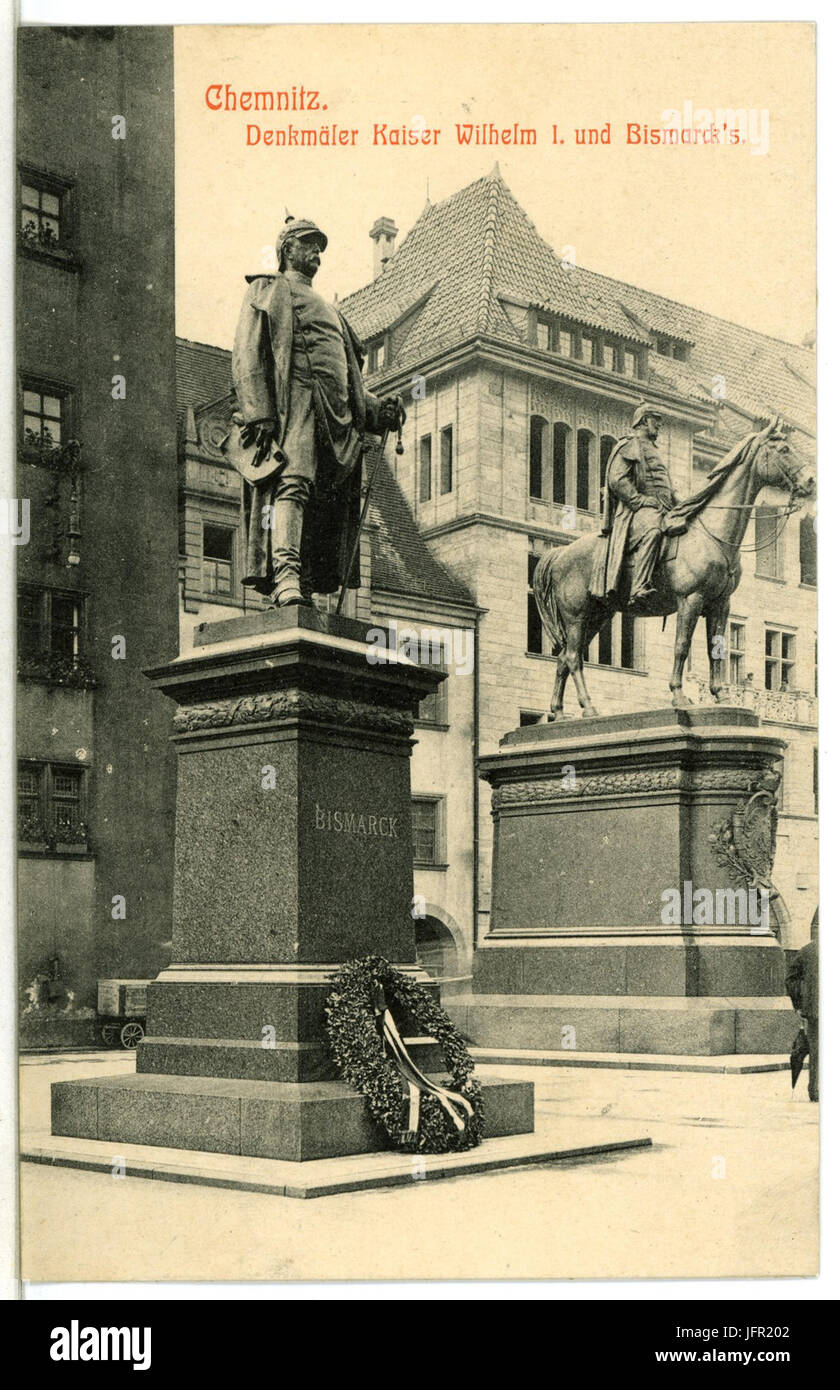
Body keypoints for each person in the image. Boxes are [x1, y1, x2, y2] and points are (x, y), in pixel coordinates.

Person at [224, 215, 404, 606]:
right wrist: (260, 414)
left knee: (323, 499)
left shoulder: (334, 312)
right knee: (293, 484)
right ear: (287, 249)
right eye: (308, 244)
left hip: (334, 418)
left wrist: (378, 410)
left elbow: (348, 382)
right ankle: (286, 577)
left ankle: (304, 581)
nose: (316, 252)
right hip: (295, 405)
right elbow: (247, 357)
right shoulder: (268, 290)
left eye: (319, 246)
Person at [590, 403, 685, 608]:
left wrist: (682, 503)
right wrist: (640, 500)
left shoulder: (654, 450)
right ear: (643, 420)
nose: (659, 425)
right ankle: (639, 586)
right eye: (655, 420)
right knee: (653, 531)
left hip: (664, 508)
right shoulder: (629, 446)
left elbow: (663, 483)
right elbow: (617, 480)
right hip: (639, 511)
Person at [786, 927, 819, 1102]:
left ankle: (816, 1091)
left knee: (817, 1052)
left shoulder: (807, 951)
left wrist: (799, 1002)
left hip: (815, 1010)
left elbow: (790, 978)